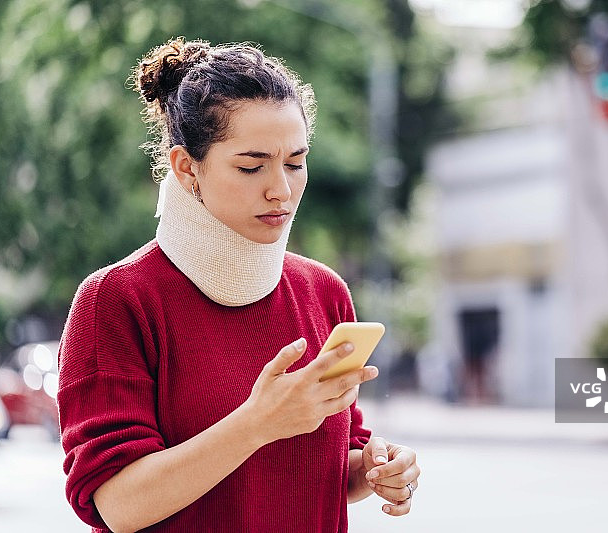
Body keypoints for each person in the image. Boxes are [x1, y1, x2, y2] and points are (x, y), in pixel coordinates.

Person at [57, 37, 420, 533]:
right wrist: (257, 424)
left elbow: (329, 465)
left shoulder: (324, 291)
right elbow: (117, 507)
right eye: (252, 166)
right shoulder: (117, 299)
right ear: (187, 168)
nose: (282, 189)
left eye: (295, 162)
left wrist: (374, 469)